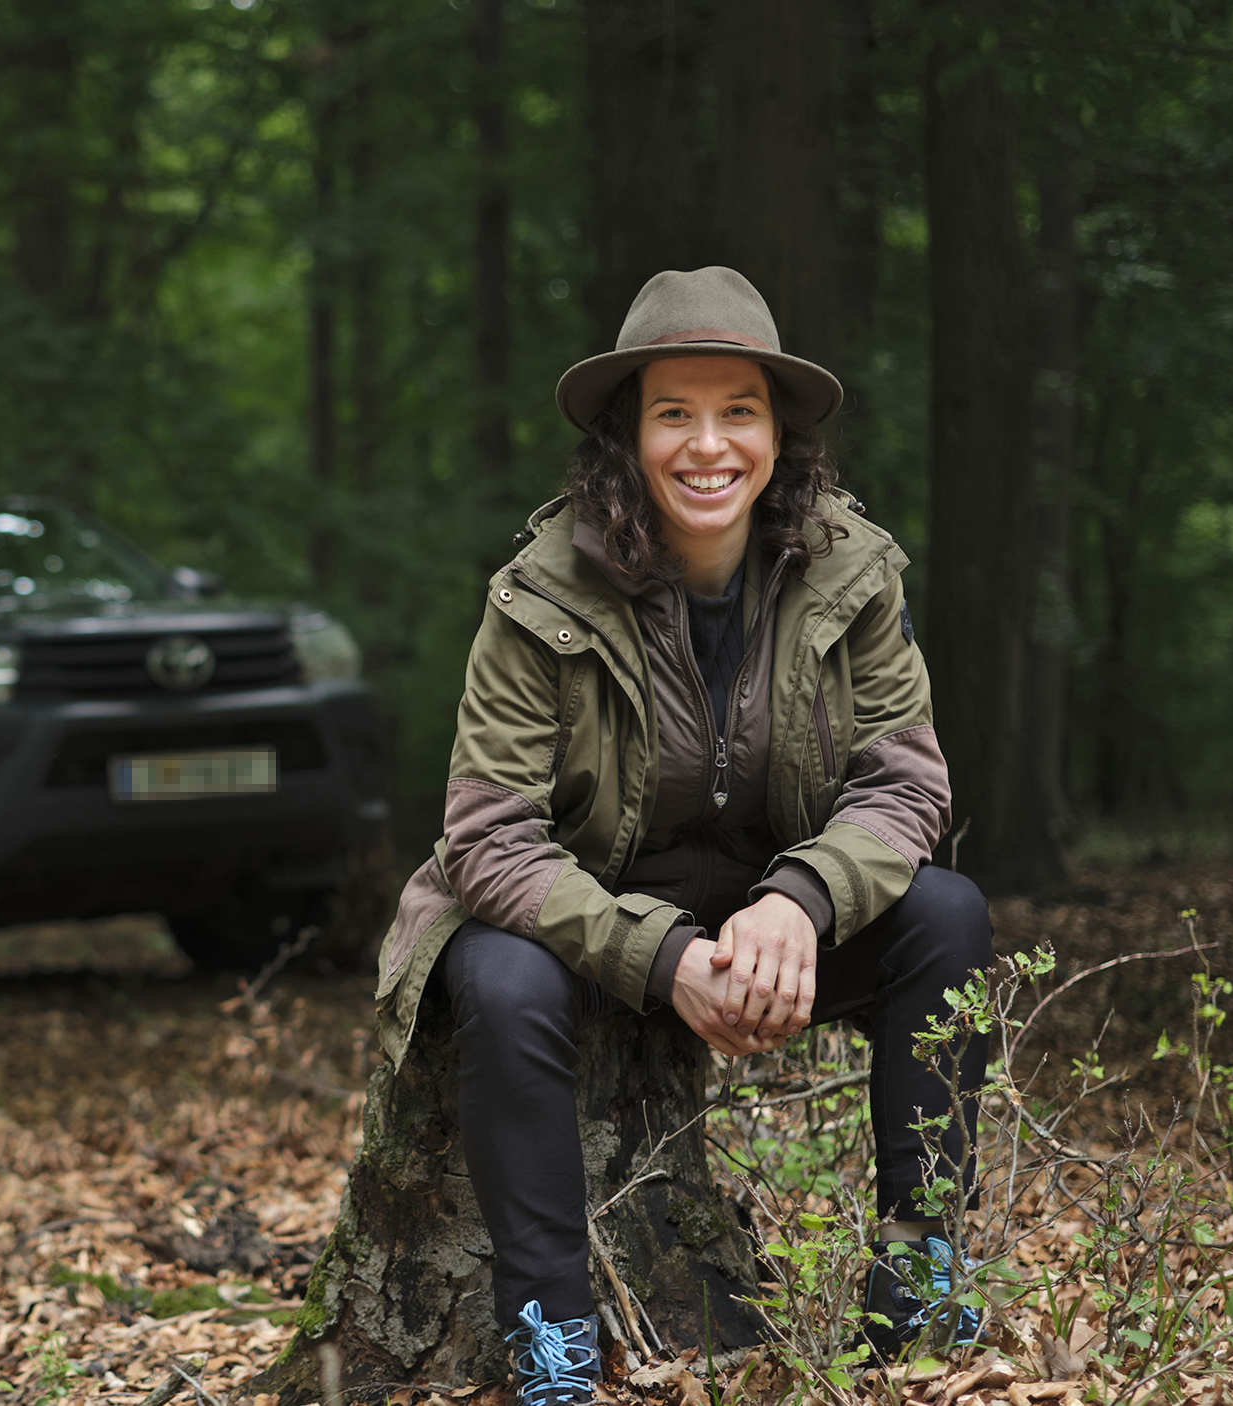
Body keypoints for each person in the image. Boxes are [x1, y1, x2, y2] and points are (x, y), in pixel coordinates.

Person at [371, 267, 994, 1405]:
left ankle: (921, 1281)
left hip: (763, 909)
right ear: (626, 438)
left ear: (777, 436)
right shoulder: (537, 592)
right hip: (580, 921)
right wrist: (660, 957)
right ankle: (551, 1341)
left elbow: (906, 786)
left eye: (737, 412)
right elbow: (487, 836)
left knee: (947, 915)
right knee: (497, 977)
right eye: (673, 413)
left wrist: (795, 902)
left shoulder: (853, 573)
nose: (707, 446)